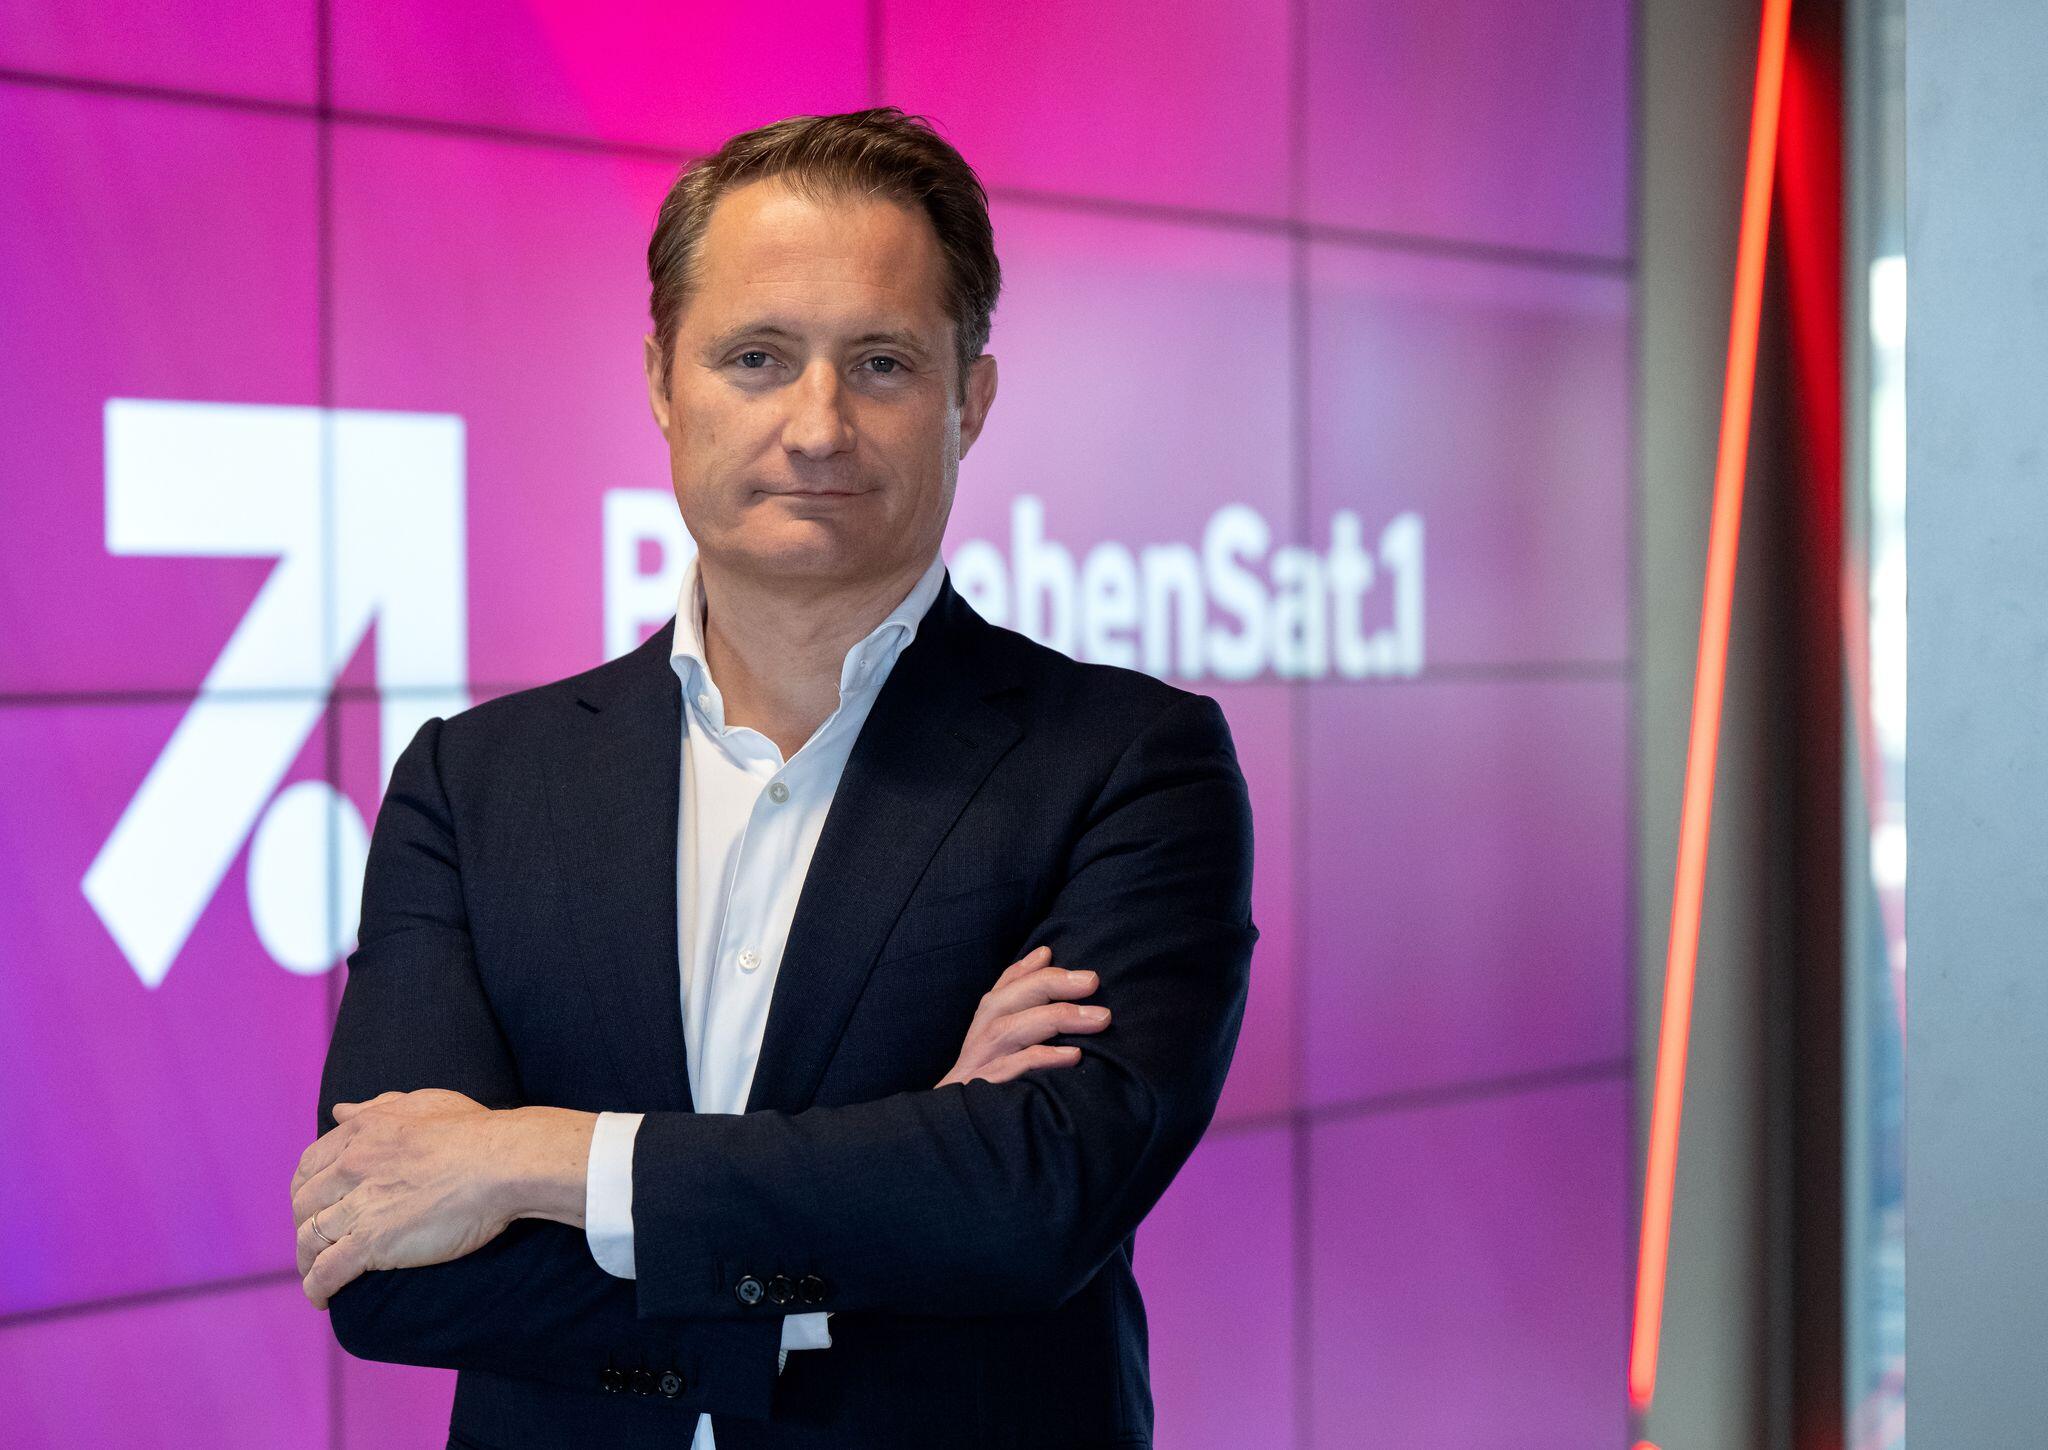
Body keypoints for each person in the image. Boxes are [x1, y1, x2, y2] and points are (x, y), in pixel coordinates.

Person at [291, 106, 1257, 1450]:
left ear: (971, 400)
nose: (818, 425)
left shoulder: (1127, 766)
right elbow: (386, 1261)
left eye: (881, 363)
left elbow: (1032, 1206)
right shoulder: (477, 784)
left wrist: (534, 1158)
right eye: (757, 358)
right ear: (662, 380)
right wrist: (901, 1184)